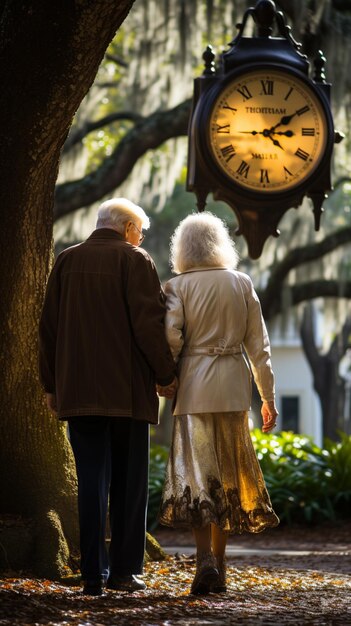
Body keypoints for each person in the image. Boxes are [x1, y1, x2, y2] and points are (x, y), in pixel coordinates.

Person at [39, 198, 177, 596]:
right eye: (141, 230)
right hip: (128, 395)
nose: (142, 237)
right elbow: (149, 327)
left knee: (91, 484)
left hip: (79, 392)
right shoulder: (136, 260)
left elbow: (48, 330)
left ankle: (91, 575)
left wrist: (51, 385)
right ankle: (124, 572)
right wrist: (167, 375)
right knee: (130, 486)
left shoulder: (66, 260)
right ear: (128, 226)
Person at [158, 212, 279, 595]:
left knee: (198, 477)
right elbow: (259, 347)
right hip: (232, 386)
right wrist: (268, 397)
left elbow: (172, 337)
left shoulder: (176, 286)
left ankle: (204, 561)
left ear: (183, 248)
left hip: (194, 386)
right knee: (228, 475)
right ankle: (222, 565)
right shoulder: (241, 282)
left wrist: (169, 375)